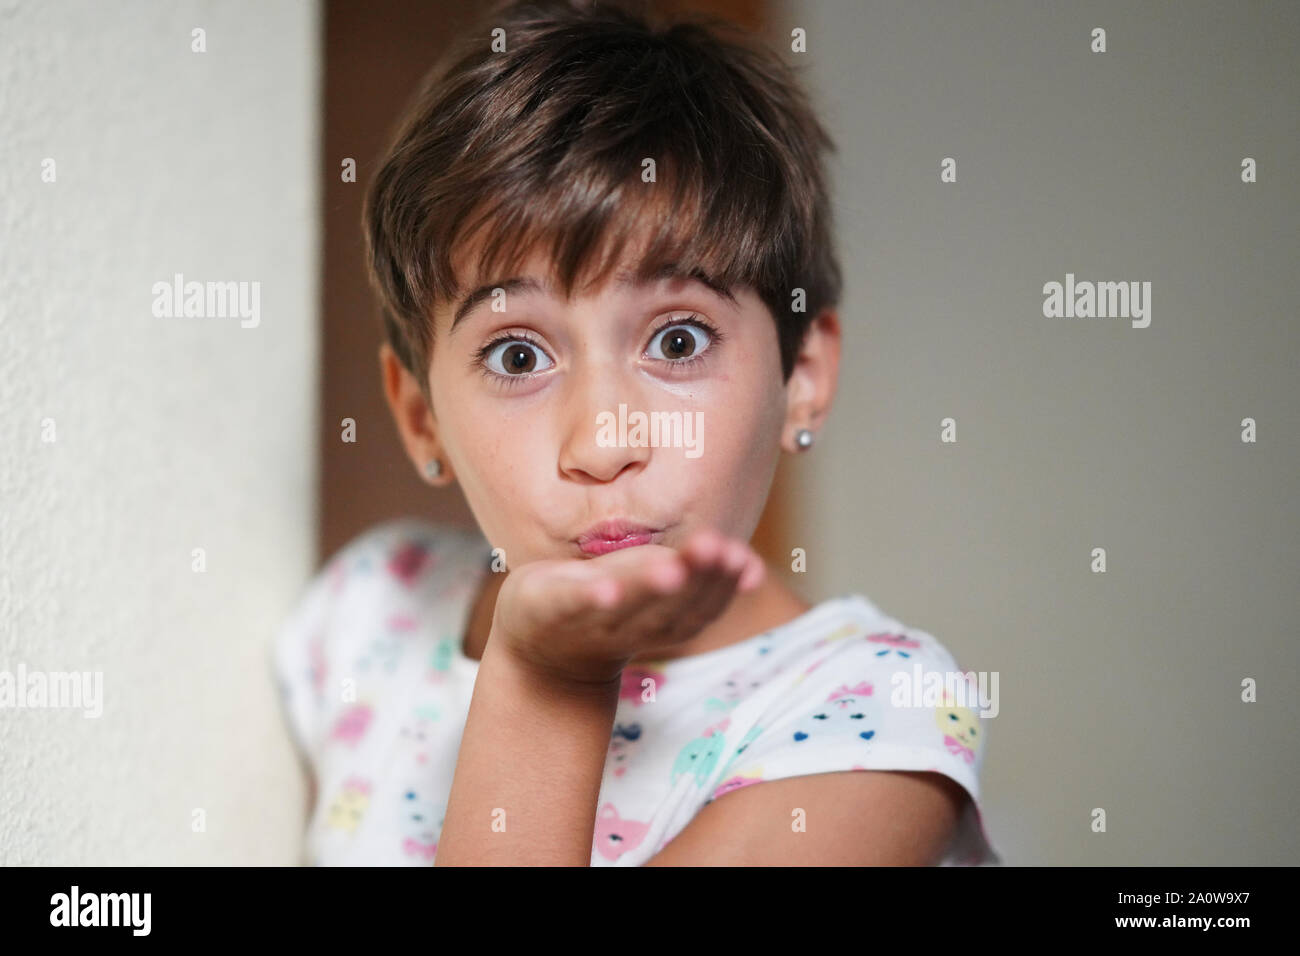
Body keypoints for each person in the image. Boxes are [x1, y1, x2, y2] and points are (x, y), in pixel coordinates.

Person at [271, 0, 998, 866]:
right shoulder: (371, 612)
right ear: (421, 416)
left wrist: (549, 677)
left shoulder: (875, 713)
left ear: (801, 377)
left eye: (677, 341)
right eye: (515, 355)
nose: (603, 443)